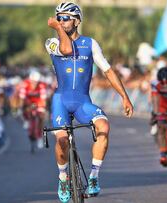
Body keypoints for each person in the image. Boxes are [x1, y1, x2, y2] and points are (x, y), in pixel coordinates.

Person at [45, 2, 133, 202]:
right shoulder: (51, 42)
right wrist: (59, 28)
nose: (61, 21)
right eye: (58, 17)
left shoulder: (90, 44)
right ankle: (63, 178)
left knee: (103, 126)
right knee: (62, 140)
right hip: (61, 100)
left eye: (65, 18)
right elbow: (66, 50)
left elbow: (108, 71)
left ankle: (93, 177)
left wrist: (124, 97)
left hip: (83, 101)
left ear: (76, 20)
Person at [18, 70, 47, 152]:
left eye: (36, 82)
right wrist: (21, 109)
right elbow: (22, 99)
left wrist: (43, 109)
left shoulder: (41, 85)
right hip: (28, 102)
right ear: (30, 80)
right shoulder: (25, 84)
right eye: (33, 82)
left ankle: (40, 138)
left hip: (38, 102)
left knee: (41, 117)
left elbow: (43, 99)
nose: (35, 84)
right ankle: (26, 120)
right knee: (24, 109)